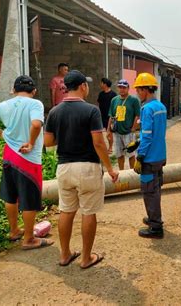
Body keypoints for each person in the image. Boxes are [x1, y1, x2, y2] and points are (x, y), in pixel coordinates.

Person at [44, 70, 119, 269]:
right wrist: (110, 168)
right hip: (88, 168)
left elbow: (48, 141)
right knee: (88, 212)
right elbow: (99, 143)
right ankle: (86, 258)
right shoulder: (91, 111)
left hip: (64, 168)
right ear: (83, 86)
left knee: (66, 211)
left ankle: (65, 254)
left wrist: (67, 134)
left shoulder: (54, 112)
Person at [0, 75, 54, 250]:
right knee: (30, 198)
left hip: (9, 155)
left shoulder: (5, 105)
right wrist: (31, 143)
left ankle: (13, 231)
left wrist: (2, 133)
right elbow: (36, 125)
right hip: (28, 158)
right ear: (33, 90)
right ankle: (29, 239)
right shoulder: (35, 104)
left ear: (14, 90)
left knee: (11, 195)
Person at [133, 73, 167, 239]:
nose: (137, 93)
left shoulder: (147, 109)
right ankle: (154, 218)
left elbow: (147, 136)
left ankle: (155, 227)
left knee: (149, 192)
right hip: (160, 155)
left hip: (149, 158)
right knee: (156, 189)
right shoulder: (161, 107)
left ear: (145, 89)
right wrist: (138, 141)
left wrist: (140, 156)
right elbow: (155, 133)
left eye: (138, 90)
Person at [107, 79, 140, 170]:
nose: (122, 89)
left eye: (124, 87)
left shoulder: (133, 100)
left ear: (128, 88)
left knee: (131, 155)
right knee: (119, 155)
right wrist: (108, 130)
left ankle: (132, 173)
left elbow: (137, 115)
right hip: (117, 132)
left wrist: (133, 128)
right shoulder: (114, 100)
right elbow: (111, 116)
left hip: (128, 132)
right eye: (120, 87)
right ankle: (122, 173)